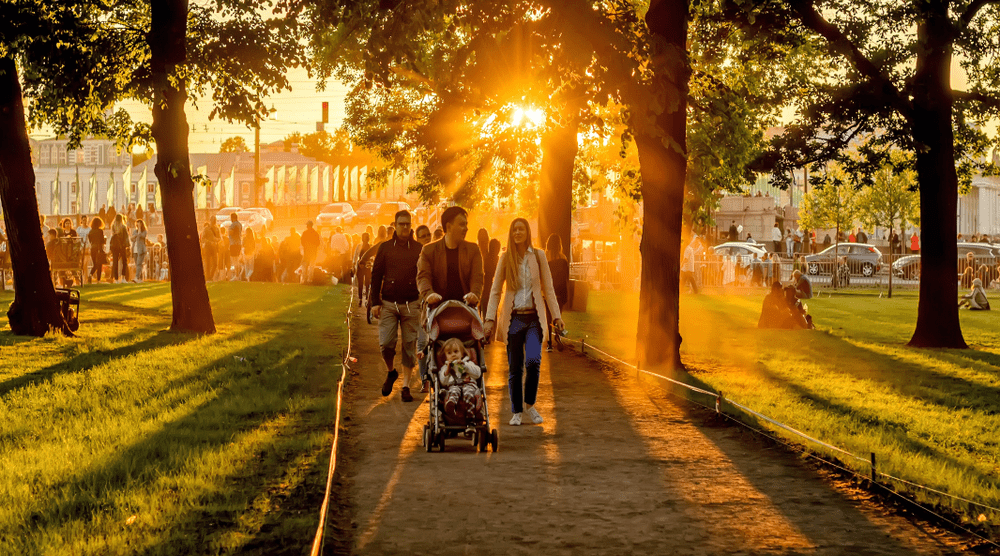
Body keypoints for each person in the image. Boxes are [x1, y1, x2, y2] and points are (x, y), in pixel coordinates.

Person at [483, 218, 564, 426]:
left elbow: (549, 287)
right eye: (514, 230)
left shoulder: (539, 256)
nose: (518, 232)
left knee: (534, 363)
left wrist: (557, 316)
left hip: (535, 318)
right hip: (514, 319)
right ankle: (517, 411)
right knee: (515, 367)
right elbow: (494, 291)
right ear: (511, 234)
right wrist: (489, 320)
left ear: (528, 232)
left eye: (521, 229)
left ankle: (530, 405)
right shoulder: (505, 258)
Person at [372, 210, 423, 402]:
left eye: (408, 224)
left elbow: (425, 274)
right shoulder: (385, 248)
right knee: (386, 344)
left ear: (411, 226)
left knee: (409, 344)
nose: (404, 227)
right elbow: (376, 276)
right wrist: (374, 303)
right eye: (401, 224)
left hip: (411, 302)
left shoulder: (419, 249)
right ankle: (391, 371)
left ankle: (406, 386)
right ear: (395, 225)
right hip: (388, 302)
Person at [416, 206, 484, 307]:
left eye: (466, 224)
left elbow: (477, 277)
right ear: (448, 227)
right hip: (437, 309)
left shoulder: (473, 249)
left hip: (466, 308)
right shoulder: (428, 250)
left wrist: (474, 294)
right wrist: (429, 294)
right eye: (461, 224)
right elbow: (423, 277)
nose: (466, 228)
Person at [438, 337, 483, 424]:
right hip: (453, 386)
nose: (453, 355)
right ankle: (451, 406)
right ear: (445, 356)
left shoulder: (468, 363)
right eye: (449, 353)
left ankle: (471, 418)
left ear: (462, 353)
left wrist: (465, 366)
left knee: (469, 393)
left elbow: (477, 374)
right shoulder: (445, 367)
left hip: (469, 385)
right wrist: (447, 371)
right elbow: (443, 381)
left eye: (456, 351)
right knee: (453, 391)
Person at [545, 233, 570, 351]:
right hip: (560, 291)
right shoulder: (563, 258)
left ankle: (549, 340)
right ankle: (558, 336)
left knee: (548, 316)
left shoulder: (545, 257)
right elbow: (566, 278)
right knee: (558, 315)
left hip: (547, 292)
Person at [109, 214, 130, 283]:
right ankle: (123, 277)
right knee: (124, 261)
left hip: (115, 246)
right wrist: (128, 245)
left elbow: (112, 237)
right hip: (122, 246)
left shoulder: (113, 227)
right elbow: (126, 237)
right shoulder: (123, 227)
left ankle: (116, 279)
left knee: (115, 262)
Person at [87, 217, 106, 283]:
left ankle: (90, 274)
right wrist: (102, 249)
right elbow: (102, 241)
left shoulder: (91, 231)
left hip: (92, 248)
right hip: (99, 248)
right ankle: (98, 279)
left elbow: (90, 240)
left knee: (95, 264)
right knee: (99, 265)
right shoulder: (100, 231)